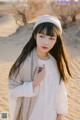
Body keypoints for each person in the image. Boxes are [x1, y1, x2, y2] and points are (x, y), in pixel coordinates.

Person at [8, 14, 72, 120]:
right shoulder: (24, 62)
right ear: (35, 35)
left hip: (51, 115)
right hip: (32, 115)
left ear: (57, 40)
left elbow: (60, 90)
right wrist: (34, 83)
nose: (46, 42)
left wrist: (60, 114)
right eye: (41, 36)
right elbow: (13, 90)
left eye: (51, 38)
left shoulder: (55, 62)